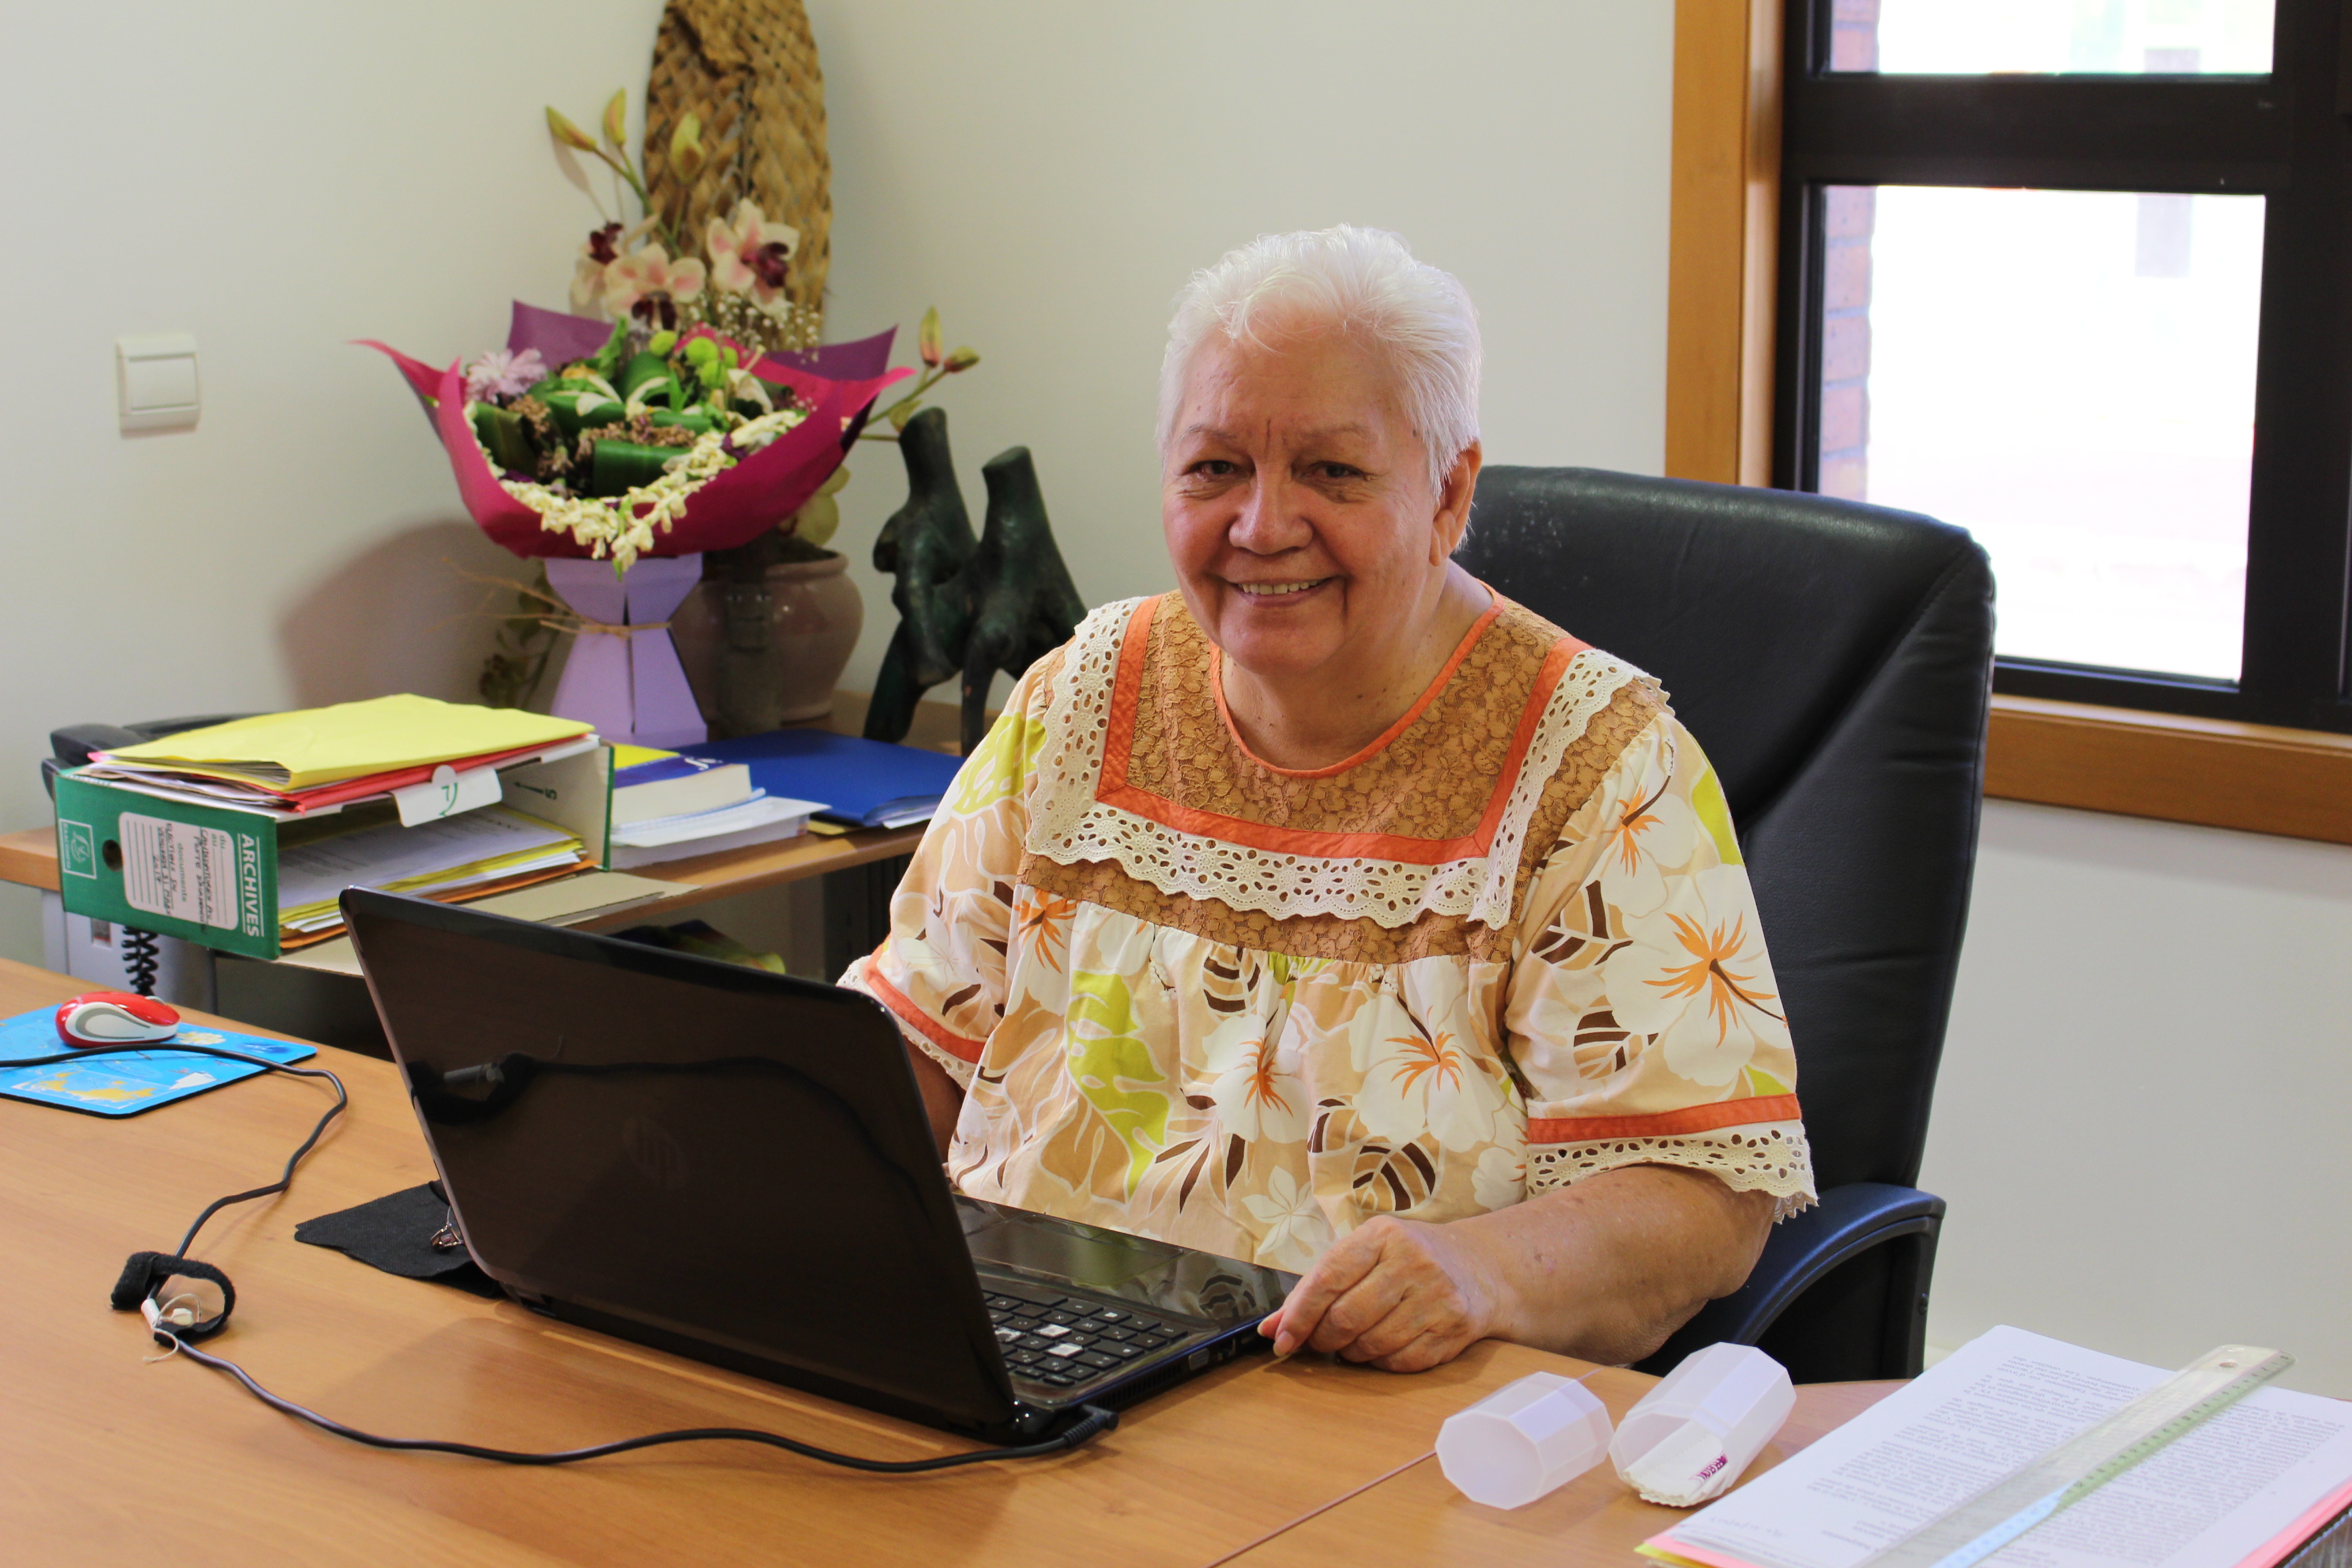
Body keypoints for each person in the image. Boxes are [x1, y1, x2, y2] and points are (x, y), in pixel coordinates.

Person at [843, 226, 1813, 1373]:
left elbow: (1702, 1200)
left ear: (1450, 493)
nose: (1262, 527)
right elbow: (914, 1052)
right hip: (1035, 1359)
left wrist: (1482, 1272)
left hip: (1364, 1399)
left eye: (1333, 472)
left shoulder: (1594, 763)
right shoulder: (1084, 691)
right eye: (1215, 468)